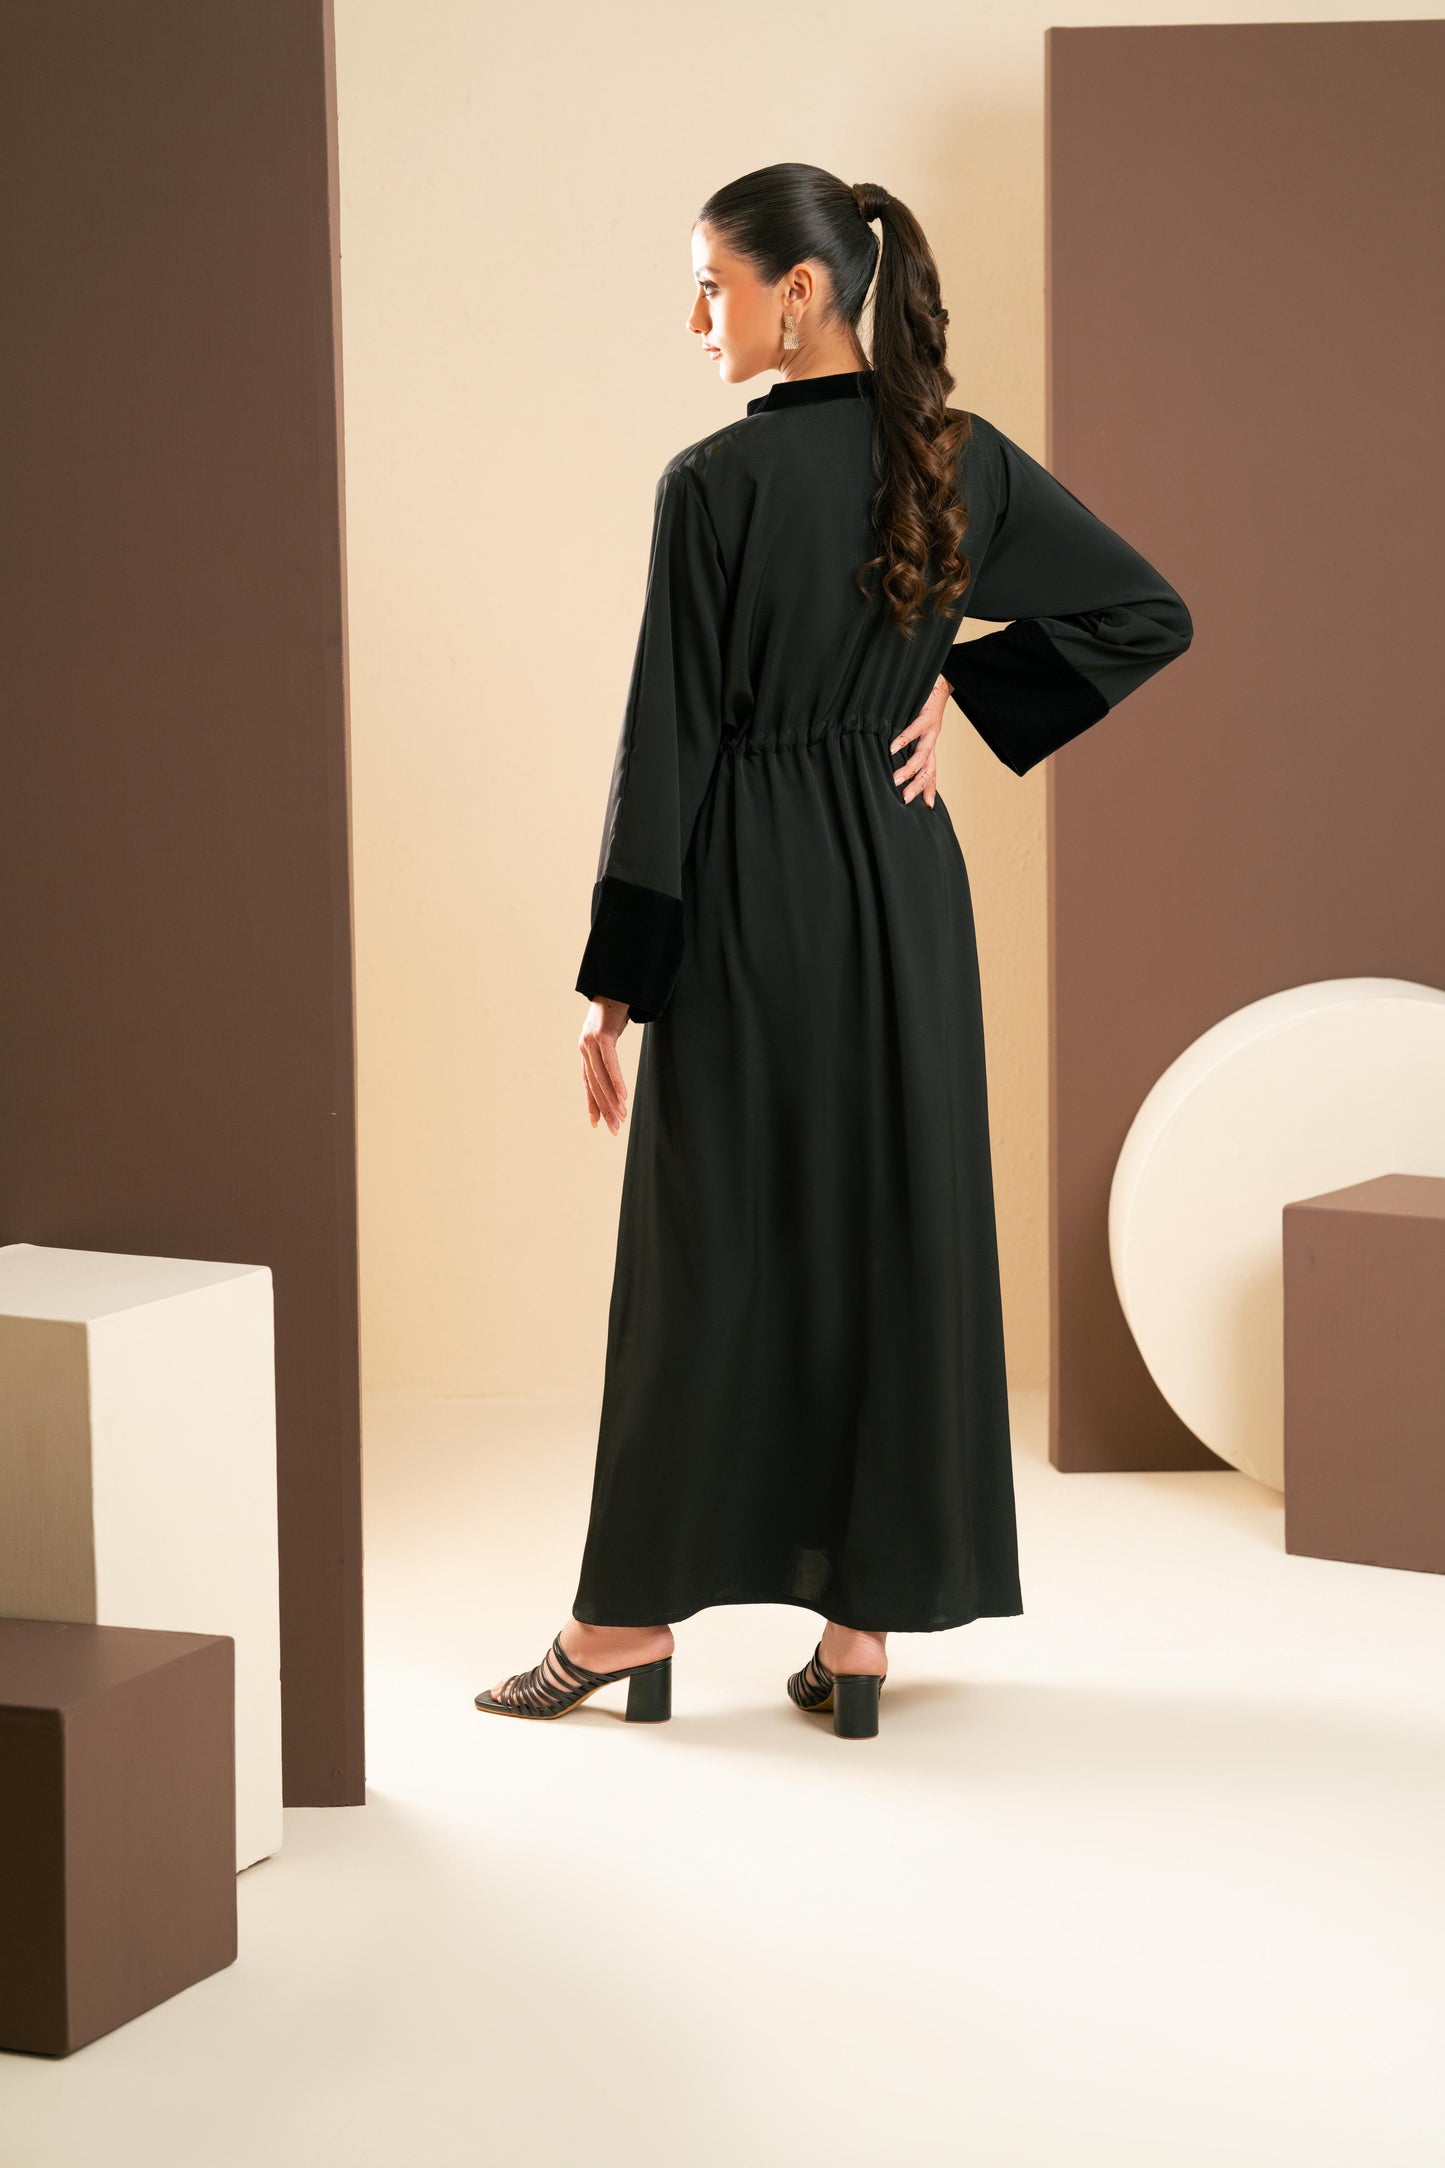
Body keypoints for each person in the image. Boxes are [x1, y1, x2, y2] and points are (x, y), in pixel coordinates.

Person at [474, 162, 1192, 1737]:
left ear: (795, 294)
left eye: (710, 287)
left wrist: (616, 982)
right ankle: (858, 1633)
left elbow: (666, 739)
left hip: (746, 892)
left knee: (705, 1249)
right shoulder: (955, 459)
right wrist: (963, 694)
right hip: (901, 889)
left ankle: (620, 1623)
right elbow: (1145, 613)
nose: (696, 319)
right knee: (890, 1227)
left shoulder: (710, 485)